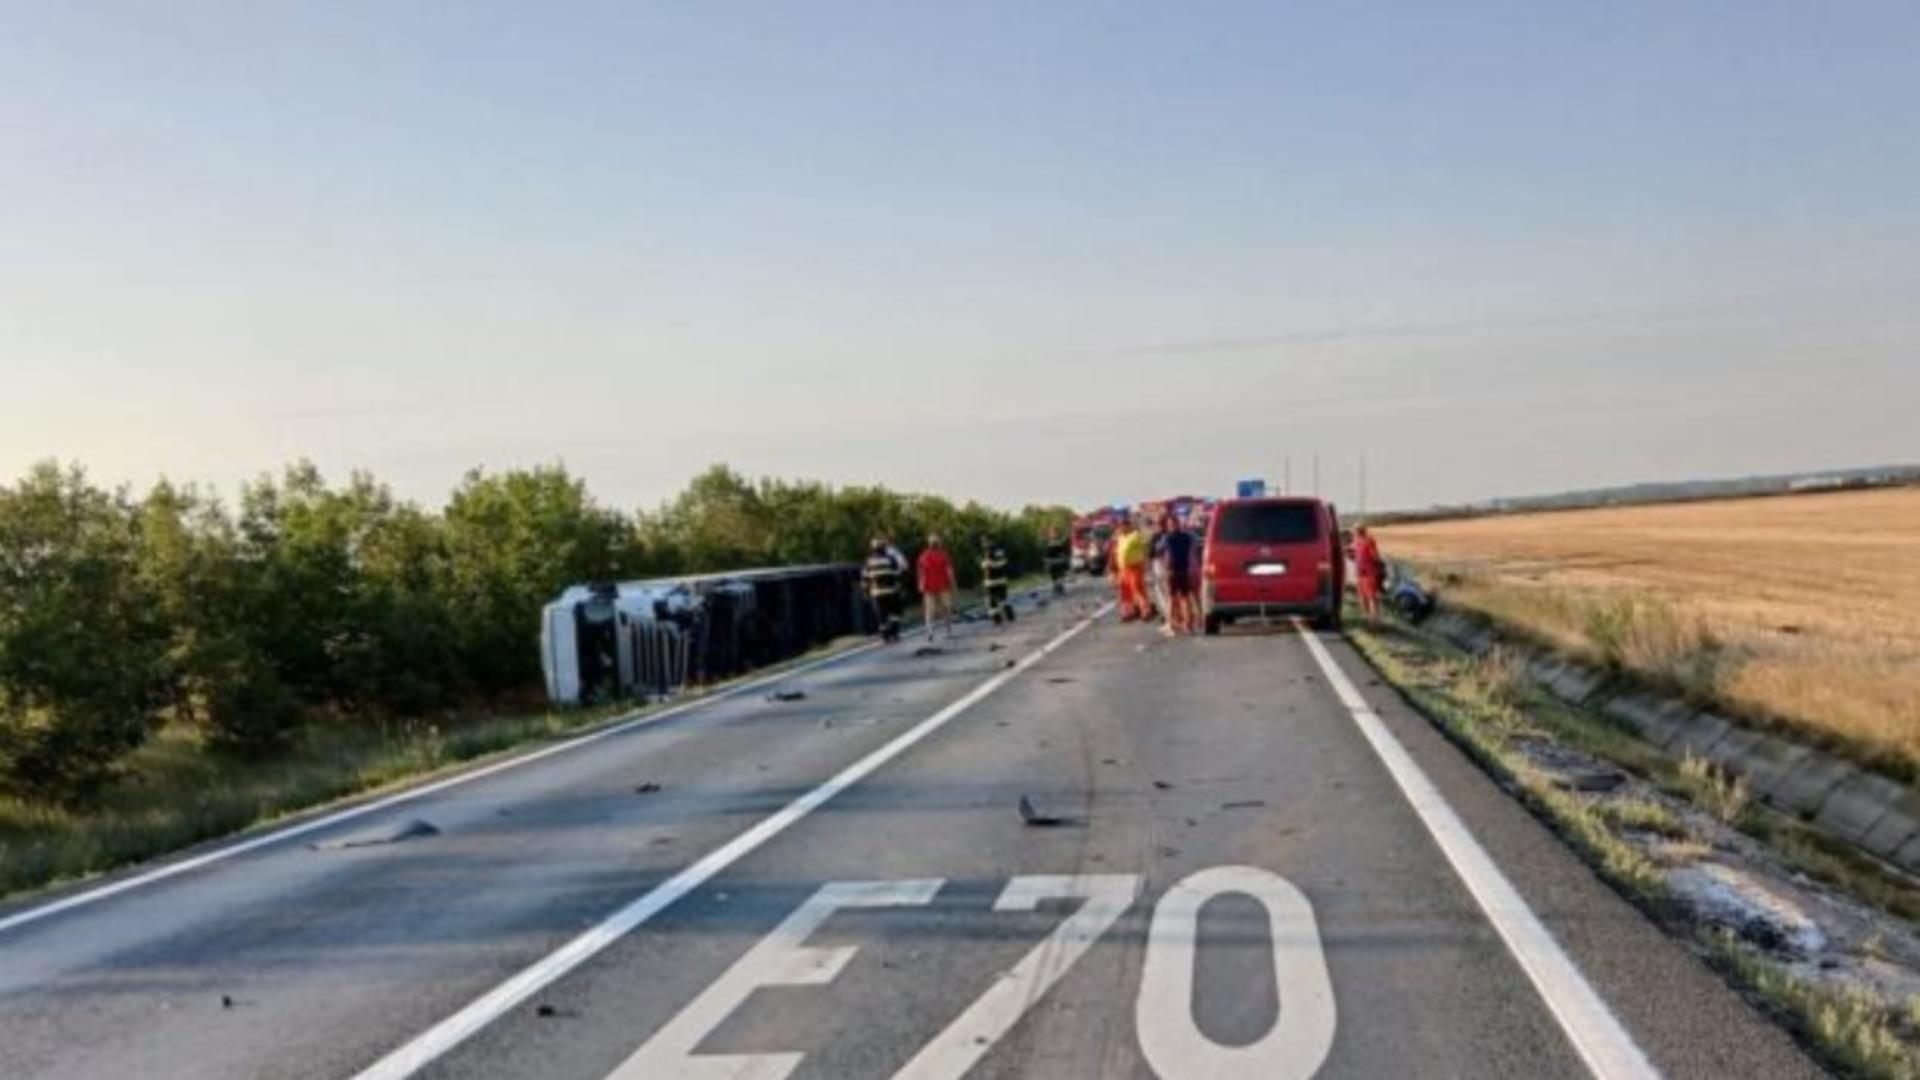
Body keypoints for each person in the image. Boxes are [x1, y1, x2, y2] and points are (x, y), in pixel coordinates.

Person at [1158, 514, 1199, 635]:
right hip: (1182, 570)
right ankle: (1188, 626)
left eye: (1172, 524)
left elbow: (1157, 550)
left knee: (1173, 599)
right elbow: (1195, 547)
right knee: (1185, 599)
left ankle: (1173, 626)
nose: (1171, 526)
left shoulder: (1167, 538)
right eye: (1170, 524)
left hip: (1174, 571)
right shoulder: (1188, 537)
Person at [864, 537, 904, 642]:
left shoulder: (869, 561)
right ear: (884, 548)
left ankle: (885, 636)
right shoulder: (890, 559)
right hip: (891, 591)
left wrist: (866, 591)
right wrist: (899, 586)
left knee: (881, 615)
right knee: (894, 613)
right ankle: (895, 633)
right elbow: (897, 574)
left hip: (876, 593)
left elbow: (865, 578)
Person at [917, 534, 956, 639]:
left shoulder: (923, 556)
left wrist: (921, 585)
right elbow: (949, 572)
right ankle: (948, 631)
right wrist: (953, 584)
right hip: (943, 586)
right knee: (946, 609)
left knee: (930, 610)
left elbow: (922, 572)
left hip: (929, 587)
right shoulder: (943, 555)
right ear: (938, 544)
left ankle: (930, 631)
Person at [1113, 519, 1153, 622]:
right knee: (1124, 592)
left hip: (1134, 567)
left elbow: (1146, 541)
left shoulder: (1135, 536)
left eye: (1124, 526)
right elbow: (1118, 552)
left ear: (1129, 526)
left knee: (1138, 589)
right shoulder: (1120, 538)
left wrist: (1140, 529)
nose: (1121, 528)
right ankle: (1128, 612)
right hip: (1123, 569)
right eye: (1120, 526)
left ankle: (1146, 611)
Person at [1353, 524, 1385, 622]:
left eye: (1356, 530)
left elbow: (1374, 556)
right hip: (1363, 573)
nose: (1355, 532)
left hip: (1367, 573)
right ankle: (1369, 619)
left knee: (1369, 597)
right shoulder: (1358, 540)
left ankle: (1373, 620)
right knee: (1366, 597)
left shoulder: (1367, 540)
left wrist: (1379, 563)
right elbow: (1375, 556)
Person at [981, 539, 1015, 624]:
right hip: (1001, 580)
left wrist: (985, 563)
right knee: (1004, 598)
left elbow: (987, 566)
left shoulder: (988, 554)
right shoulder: (1000, 552)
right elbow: (1004, 563)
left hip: (991, 582)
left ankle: (997, 619)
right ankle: (1010, 615)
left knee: (992, 601)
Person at [1043, 527, 1071, 595]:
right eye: (1052, 533)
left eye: (1055, 533)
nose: (1054, 534)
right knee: (1053, 575)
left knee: (1059, 574)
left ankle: (1059, 587)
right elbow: (1045, 552)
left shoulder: (1059, 541)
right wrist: (1045, 560)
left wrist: (1064, 556)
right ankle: (1056, 587)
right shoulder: (1047, 542)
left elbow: (1063, 550)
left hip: (1058, 561)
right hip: (1051, 561)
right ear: (1049, 534)